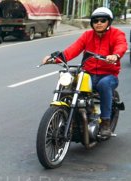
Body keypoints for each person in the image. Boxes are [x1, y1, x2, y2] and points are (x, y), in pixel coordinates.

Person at [42, 7, 127, 137]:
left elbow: (121, 46)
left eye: (102, 20)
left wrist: (115, 55)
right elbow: (73, 49)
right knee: (71, 84)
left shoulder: (117, 34)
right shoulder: (87, 35)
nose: (99, 23)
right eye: (95, 20)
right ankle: (65, 116)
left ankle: (105, 123)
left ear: (109, 22)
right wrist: (55, 59)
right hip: (89, 73)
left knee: (103, 85)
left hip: (108, 75)